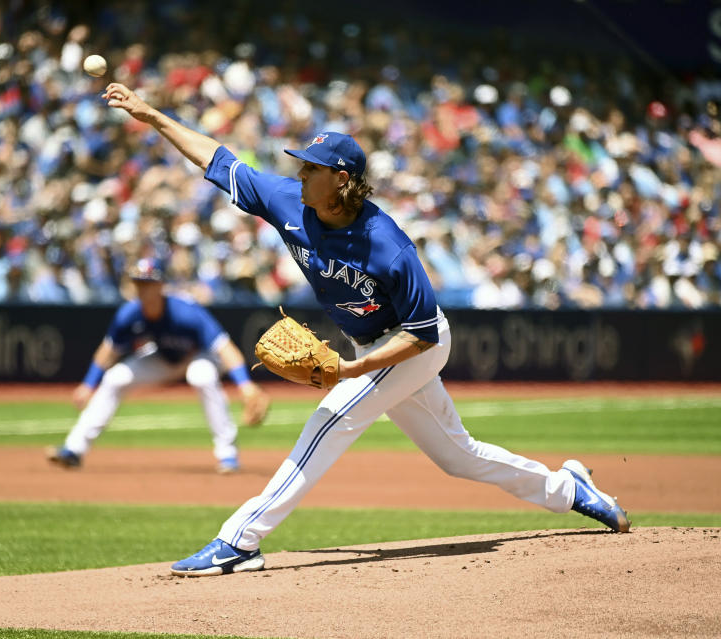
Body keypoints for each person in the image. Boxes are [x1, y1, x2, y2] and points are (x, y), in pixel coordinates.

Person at [101, 82, 630, 577]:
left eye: (313, 168)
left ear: (343, 181)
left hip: (412, 345)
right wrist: (150, 115)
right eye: (302, 166)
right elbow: (217, 158)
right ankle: (570, 489)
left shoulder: (389, 245)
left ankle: (240, 539)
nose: (301, 173)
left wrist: (354, 369)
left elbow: (422, 333)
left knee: (330, 422)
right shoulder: (288, 201)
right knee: (458, 456)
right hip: (370, 344)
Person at [46, 257, 270, 474]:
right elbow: (108, 351)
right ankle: (74, 450)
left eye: (148, 283)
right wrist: (88, 384)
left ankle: (227, 454)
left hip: (199, 356)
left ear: (161, 285)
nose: (143, 289)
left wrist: (245, 385)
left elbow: (225, 348)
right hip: (163, 358)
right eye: (139, 283)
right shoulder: (129, 314)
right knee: (116, 377)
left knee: (201, 376)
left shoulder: (186, 311)